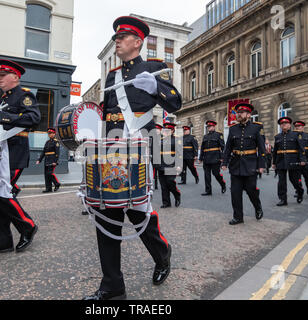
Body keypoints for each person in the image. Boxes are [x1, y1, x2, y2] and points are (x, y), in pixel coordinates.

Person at [83, 16, 181, 300]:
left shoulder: (154, 68)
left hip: (139, 147)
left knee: (138, 214)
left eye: (123, 36)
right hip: (112, 151)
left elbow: (175, 102)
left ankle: (162, 253)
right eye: (116, 37)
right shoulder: (112, 75)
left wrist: (155, 87)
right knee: (105, 213)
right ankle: (112, 286)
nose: (117, 40)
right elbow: (107, 115)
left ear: (138, 42)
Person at [0, 59, 41, 256]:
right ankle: (3, 241)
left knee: (2, 193)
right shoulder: (4, 99)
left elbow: (33, 118)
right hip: (1, 152)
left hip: (14, 153)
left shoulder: (24, 95)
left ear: (15, 77)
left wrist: (3, 117)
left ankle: (28, 226)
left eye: (3, 75)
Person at [222, 103, 265, 225]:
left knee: (251, 190)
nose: (238, 114)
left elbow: (261, 149)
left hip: (251, 164)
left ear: (248, 115)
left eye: (241, 112)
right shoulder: (233, 129)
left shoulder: (256, 128)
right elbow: (228, 147)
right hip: (235, 164)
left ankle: (257, 207)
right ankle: (238, 217)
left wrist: (261, 165)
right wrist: (224, 162)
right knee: (235, 192)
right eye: (237, 113)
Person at [272, 117, 306, 206]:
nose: (284, 125)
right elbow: (275, 151)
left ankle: (299, 191)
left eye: (286, 123)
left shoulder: (296, 135)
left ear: (289, 125)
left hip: (293, 160)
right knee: (281, 181)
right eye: (282, 124)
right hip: (281, 161)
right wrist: (274, 162)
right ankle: (283, 199)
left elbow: (301, 149)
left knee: (294, 179)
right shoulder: (277, 137)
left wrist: (302, 160)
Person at [157, 122, 182, 208]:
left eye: (168, 130)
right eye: (165, 130)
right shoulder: (161, 140)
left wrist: (179, 165)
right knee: (163, 185)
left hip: (171, 165)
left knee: (170, 182)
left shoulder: (176, 139)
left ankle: (177, 194)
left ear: (172, 130)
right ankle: (166, 202)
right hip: (161, 165)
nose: (166, 132)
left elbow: (179, 154)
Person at [199, 120, 226, 196]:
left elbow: (223, 147)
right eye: (208, 127)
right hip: (206, 158)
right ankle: (208, 190)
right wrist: (201, 158)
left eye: (210, 126)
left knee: (216, 174)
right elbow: (202, 148)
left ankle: (222, 183)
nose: (209, 128)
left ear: (214, 127)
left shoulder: (218, 135)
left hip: (215, 158)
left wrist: (222, 157)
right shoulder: (205, 136)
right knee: (207, 175)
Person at [293, 121, 308, 195]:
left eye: (299, 126)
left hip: (307, 158)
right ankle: (298, 190)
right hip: (296, 158)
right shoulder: (292, 135)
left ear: (303, 127)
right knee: (296, 176)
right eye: (296, 126)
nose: (297, 127)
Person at [36, 127, 61, 193]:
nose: (50, 135)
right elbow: (43, 152)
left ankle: (57, 184)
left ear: (54, 134)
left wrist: (55, 161)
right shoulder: (47, 142)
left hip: (52, 160)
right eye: (49, 133)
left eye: (51, 133)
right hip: (47, 160)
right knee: (46, 175)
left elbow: (57, 153)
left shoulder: (56, 142)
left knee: (50, 173)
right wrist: (39, 160)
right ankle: (48, 188)